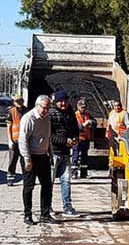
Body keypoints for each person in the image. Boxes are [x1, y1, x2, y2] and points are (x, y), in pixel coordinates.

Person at [18, 94, 57, 225]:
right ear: (37, 106)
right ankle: (27, 215)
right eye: (44, 108)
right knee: (29, 187)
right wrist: (27, 160)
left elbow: (48, 137)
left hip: (43, 156)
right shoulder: (28, 118)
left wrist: (50, 155)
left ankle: (45, 214)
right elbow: (23, 141)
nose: (46, 111)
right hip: (30, 156)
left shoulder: (47, 118)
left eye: (48, 108)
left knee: (47, 186)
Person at [48, 90, 80, 217]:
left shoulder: (70, 113)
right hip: (53, 153)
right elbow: (48, 135)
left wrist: (75, 138)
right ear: (56, 102)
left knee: (66, 180)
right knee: (49, 181)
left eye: (65, 101)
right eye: (60, 101)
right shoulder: (50, 114)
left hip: (66, 153)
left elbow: (75, 129)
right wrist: (64, 141)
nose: (63, 104)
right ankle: (47, 206)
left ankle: (67, 206)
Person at [6, 94, 29, 186]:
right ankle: (10, 178)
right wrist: (10, 140)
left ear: (23, 101)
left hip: (25, 141)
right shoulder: (11, 112)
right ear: (14, 102)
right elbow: (9, 127)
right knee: (12, 161)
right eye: (17, 101)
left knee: (25, 161)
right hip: (15, 141)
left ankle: (26, 179)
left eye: (20, 101)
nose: (19, 103)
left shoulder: (27, 111)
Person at [72, 99, 94, 179]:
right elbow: (74, 127)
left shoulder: (87, 115)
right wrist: (83, 125)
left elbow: (95, 122)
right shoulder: (74, 115)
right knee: (75, 156)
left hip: (86, 139)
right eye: (82, 107)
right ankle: (74, 173)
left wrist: (91, 122)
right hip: (77, 139)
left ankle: (84, 173)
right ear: (78, 107)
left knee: (84, 157)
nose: (83, 109)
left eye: (84, 107)